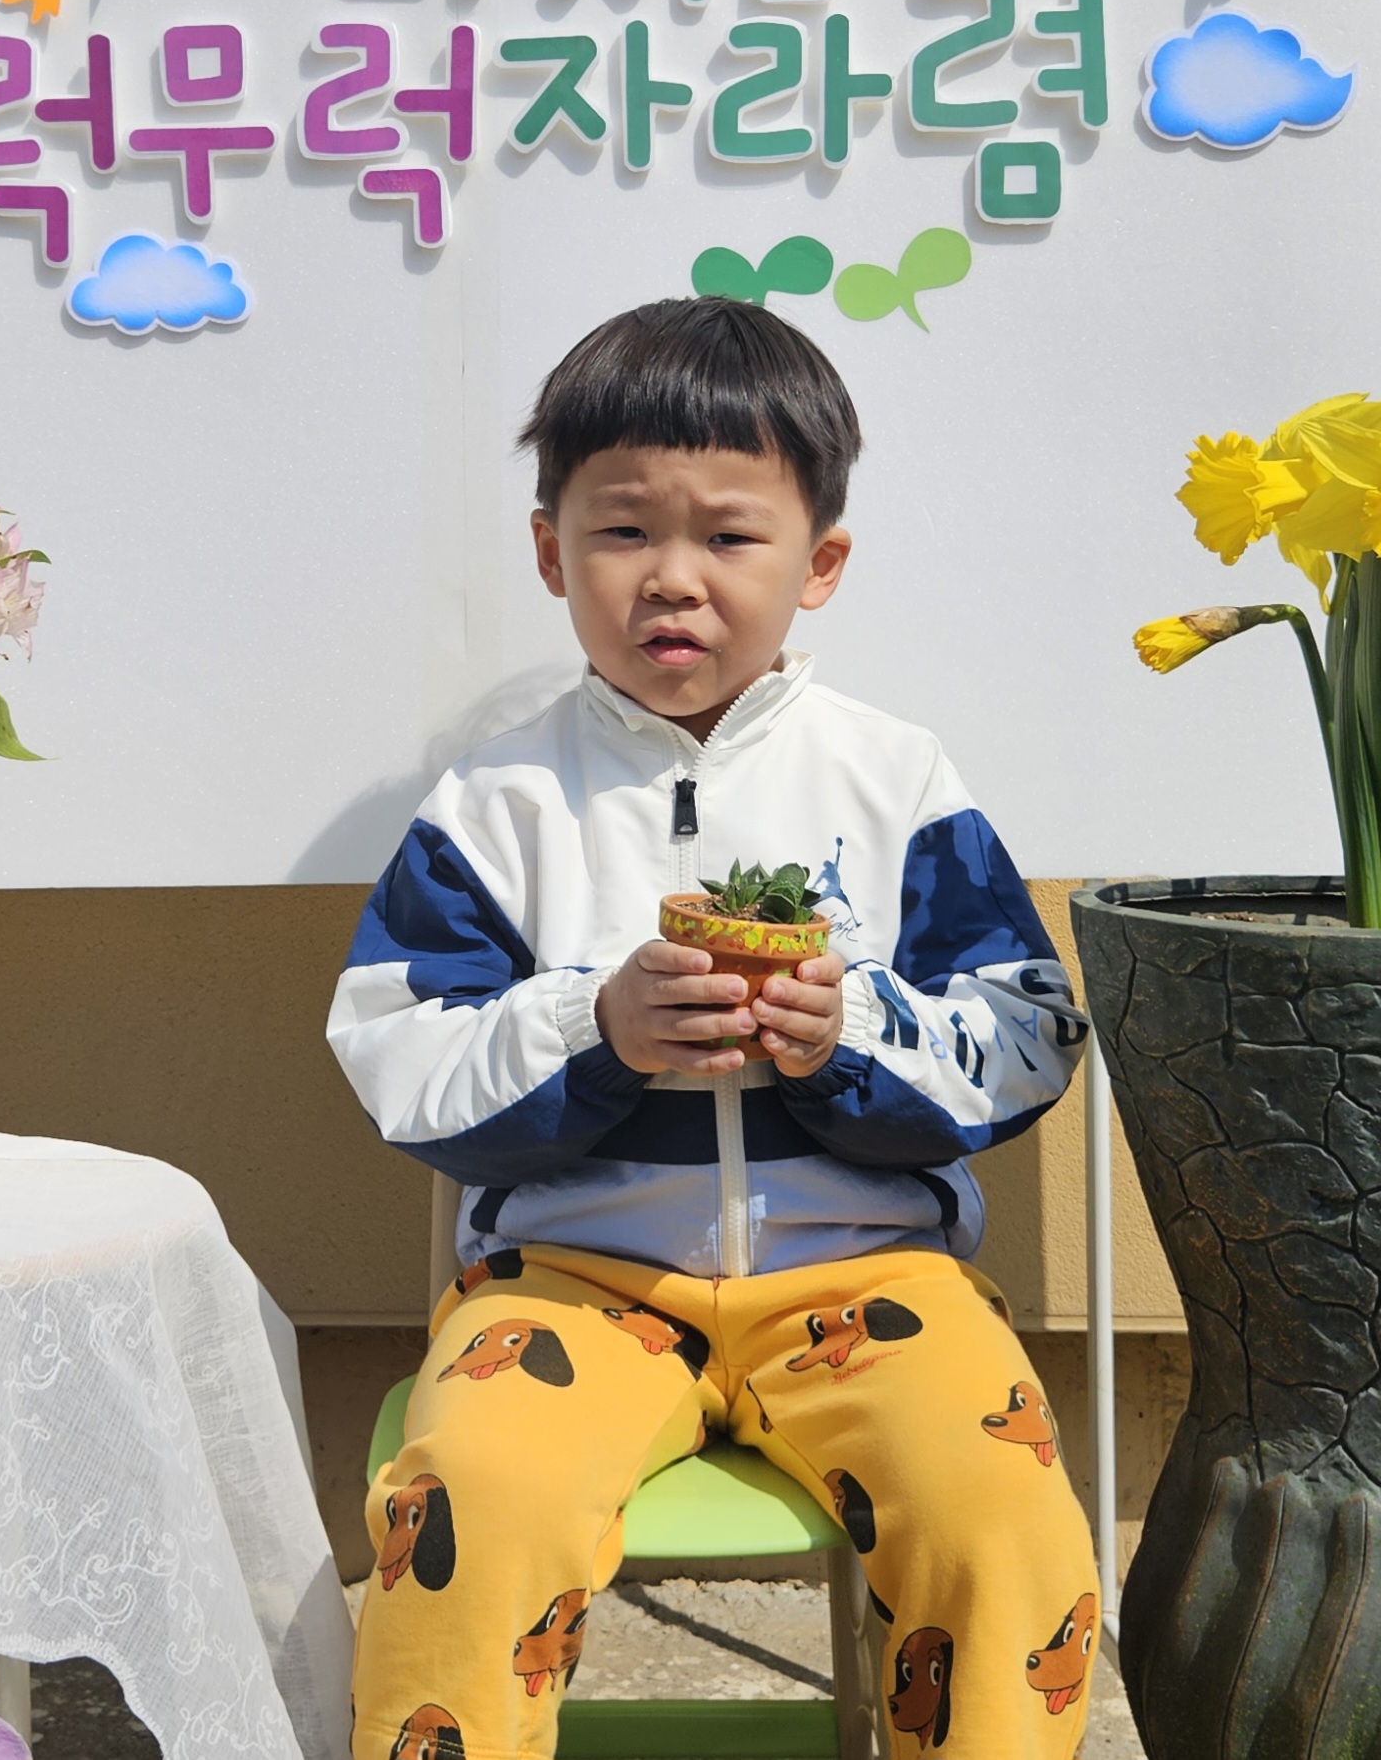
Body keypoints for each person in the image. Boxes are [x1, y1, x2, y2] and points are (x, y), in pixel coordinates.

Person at [329, 297, 1098, 1760]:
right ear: (550, 551)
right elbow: (397, 1047)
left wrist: (851, 1029)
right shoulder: (499, 801)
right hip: (571, 1281)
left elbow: (1028, 1029)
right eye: (622, 531)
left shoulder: (893, 777)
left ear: (819, 564)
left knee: (997, 1513)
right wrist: (596, 1025)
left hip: (871, 1277)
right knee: (473, 1502)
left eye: (730, 537)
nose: (671, 577)